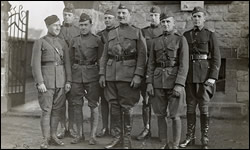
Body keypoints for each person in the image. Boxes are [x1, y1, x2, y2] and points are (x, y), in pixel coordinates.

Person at [99, 3, 147, 149]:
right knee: (113, 106)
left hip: (128, 76)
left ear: (129, 15)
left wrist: (138, 75)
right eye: (119, 13)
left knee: (126, 107)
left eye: (124, 13)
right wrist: (102, 74)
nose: (121, 16)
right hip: (111, 75)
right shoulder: (111, 33)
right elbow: (104, 55)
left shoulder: (137, 32)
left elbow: (142, 55)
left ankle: (126, 139)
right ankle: (116, 137)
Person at [179, 7, 221, 149]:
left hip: (204, 77)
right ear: (192, 18)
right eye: (194, 16)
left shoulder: (210, 35)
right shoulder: (186, 35)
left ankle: (204, 137)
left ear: (204, 18)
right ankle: (189, 137)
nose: (196, 19)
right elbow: (182, 58)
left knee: (204, 108)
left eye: (199, 16)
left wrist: (213, 77)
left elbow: (216, 58)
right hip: (189, 77)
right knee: (190, 108)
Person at [146, 11, 189, 149]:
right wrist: (149, 83)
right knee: (160, 114)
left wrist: (179, 84)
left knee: (175, 115)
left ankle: (175, 145)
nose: (165, 24)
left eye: (168, 22)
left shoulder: (180, 39)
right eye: (163, 22)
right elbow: (151, 63)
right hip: (158, 82)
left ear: (173, 23)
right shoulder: (155, 41)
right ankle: (163, 143)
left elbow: (184, 64)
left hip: (174, 81)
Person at [31, 15, 71, 149]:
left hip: (60, 81)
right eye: (55, 25)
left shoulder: (63, 43)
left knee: (57, 110)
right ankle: (45, 139)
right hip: (46, 82)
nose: (58, 27)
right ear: (48, 26)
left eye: (59, 25)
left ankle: (53, 136)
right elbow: (35, 64)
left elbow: (67, 64)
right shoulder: (40, 42)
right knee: (46, 110)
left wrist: (68, 81)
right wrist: (40, 82)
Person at [67, 13, 103, 145]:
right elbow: (70, 61)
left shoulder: (97, 40)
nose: (83, 27)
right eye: (81, 25)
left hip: (92, 76)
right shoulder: (74, 40)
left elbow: (101, 60)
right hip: (77, 76)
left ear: (90, 25)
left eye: (85, 25)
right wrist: (69, 79)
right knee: (77, 105)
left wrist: (101, 76)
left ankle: (92, 135)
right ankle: (80, 134)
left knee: (93, 105)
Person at [136, 6, 163, 141]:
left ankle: (161, 131)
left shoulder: (163, 30)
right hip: (147, 70)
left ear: (159, 17)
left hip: (159, 71)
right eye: (151, 15)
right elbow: (141, 52)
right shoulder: (143, 31)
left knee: (159, 101)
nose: (153, 18)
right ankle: (147, 128)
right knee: (146, 101)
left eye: (155, 15)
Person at [57, 2, 80, 139]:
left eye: (69, 15)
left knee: (72, 101)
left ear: (74, 16)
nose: (67, 17)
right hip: (60, 70)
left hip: (73, 70)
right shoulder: (57, 30)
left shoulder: (78, 31)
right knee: (60, 101)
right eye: (65, 15)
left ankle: (71, 127)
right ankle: (62, 127)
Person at [96, 9, 117, 138]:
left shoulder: (118, 33)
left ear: (114, 19)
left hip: (115, 71)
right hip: (102, 70)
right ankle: (104, 127)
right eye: (106, 18)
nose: (107, 20)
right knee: (103, 100)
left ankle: (114, 128)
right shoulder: (100, 35)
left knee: (114, 101)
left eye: (110, 17)